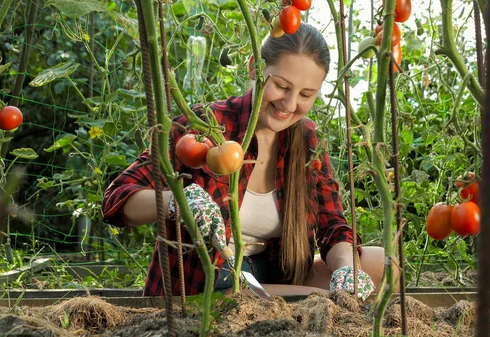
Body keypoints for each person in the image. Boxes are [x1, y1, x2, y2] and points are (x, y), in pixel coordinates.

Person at [102, 23, 386, 300]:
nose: (289, 104)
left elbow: (332, 226)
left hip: (274, 271)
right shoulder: (204, 128)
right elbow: (117, 198)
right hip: (209, 280)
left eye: (305, 95)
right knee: (256, 298)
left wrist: (348, 269)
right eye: (282, 86)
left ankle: (303, 299)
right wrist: (177, 201)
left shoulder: (308, 138)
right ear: (255, 67)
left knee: (378, 263)